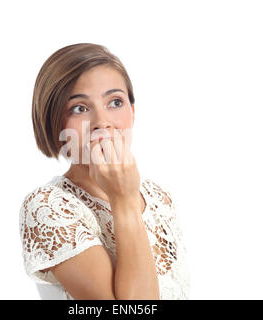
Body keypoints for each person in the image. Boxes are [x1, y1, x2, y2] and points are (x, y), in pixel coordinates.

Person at [19, 43, 190, 300]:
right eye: (80, 108)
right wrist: (123, 199)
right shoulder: (46, 206)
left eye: (115, 102)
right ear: (53, 122)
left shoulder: (160, 198)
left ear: (132, 113)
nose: (102, 122)